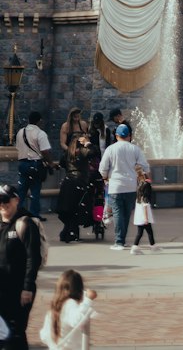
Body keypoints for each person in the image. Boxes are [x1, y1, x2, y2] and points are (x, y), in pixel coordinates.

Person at [0, 182, 43, 350]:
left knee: (16, 331)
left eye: (5, 200)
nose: (2, 205)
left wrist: (27, 287)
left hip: (18, 289)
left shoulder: (25, 223)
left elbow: (34, 258)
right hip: (1, 288)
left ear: (16, 200)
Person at [99, 123, 150, 252]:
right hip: (131, 186)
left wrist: (105, 177)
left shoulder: (111, 149)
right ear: (129, 135)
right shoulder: (135, 149)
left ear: (116, 135)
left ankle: (119, 241)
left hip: (115, 186)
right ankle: (122, 239)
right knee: (126, 214)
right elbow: (145, 166)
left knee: (117, 213)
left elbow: (103, 168)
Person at [39, 270, 97, 350]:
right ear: (79, 289)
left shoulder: (55, 306)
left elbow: (44, 335)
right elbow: (78, 320)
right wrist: (88, 300)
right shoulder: (70, 303)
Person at [15, 109, 53, 218]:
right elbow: (45, 151)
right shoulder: (40, 133)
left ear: (28, 120)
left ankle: (18, 213)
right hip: (35, 164)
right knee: (35, 190)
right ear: (39, 121)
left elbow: (18, 147)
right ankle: (34, 214)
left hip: (22, 163)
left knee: (21, 190)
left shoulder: (20, 132)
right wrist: (50, 162)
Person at [132, 178, 157, 255]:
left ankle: (136, 247)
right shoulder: (145, 199)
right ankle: (152, 246)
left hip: (140, 219)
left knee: (140, 233)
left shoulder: (138, 199)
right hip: (144, 220)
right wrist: (146, 219)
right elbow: (145, 209)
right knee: (149, 232)